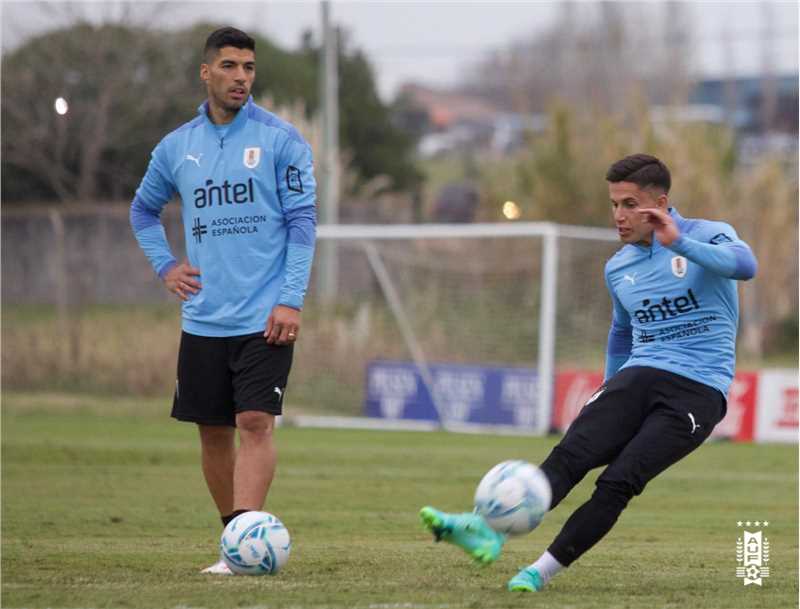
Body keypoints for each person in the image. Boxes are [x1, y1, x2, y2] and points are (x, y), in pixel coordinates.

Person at [419, 153, 757, 591]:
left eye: (630, 204)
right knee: (569, 456)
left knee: (619, 480)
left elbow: (745, 266)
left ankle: (539, 571)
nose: (619, 215)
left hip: (697, 391)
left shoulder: (706, 234)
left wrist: (679, 243)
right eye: (614, 204)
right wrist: (610, 386)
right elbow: (621, 333)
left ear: (660, 203)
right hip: (637, 377)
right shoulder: (619, 266)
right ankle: (484, 530)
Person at [130, 26, 316, 574]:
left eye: (249, 68)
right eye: (230, 66)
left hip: (265, 316)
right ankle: (235, 540)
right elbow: (143, 210)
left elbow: (303, 223)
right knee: (213, 432)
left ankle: (243, 549)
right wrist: (166, 265)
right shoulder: (175, 147)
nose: (240, 77)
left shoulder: (282, 139)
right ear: (206, 72)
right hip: (203, 319)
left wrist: (290, 299)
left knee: (255, 421)